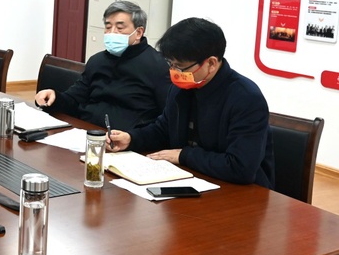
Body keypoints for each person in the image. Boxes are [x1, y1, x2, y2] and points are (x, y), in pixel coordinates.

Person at [108, 18, 275, 188]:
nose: (174, 72)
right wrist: (131, 139)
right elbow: (163, 130)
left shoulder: (246, 98)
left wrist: (184, 156)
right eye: (171, 64)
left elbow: (241, 167)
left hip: (242, 192)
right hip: (191, 178)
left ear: (211, 63)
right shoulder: (181, 88)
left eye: (180, 67)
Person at [35, 1, 170, 130]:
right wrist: (54, 97)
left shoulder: (157, 65)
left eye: (120, 28)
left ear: (139, 32)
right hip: (86, 130)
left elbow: (166, 117)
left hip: (129, 139)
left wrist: (134, 138)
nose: (112, 32)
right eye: (108, 27)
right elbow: (74, 99)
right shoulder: (97, 61)